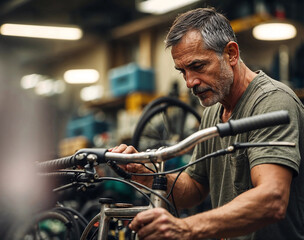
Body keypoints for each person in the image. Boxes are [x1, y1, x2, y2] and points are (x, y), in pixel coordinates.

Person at [110, 7, 304, 239]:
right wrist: (144, 174)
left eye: (198, 66)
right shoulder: (214, 111)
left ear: (231, 54)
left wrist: (185, 227)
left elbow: (272, 199)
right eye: (182, 71)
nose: (190, 82)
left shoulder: (272, 103)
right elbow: (194, 187)